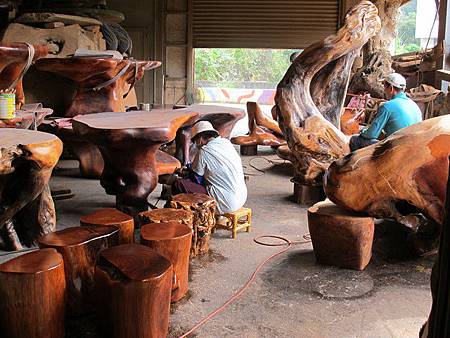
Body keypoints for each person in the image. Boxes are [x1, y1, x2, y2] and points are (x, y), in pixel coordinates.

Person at [171, 121, 247, 214]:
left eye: (195, 141)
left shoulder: (204, 150)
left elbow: (197, 179)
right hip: (241, 198)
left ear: (201, 137)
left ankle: (181, 214)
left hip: (225, 202)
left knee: (178, 184)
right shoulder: (226, 143)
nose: (196, 144)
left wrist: (184, 174)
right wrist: (190, 169)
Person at [349, 73, 422, 151]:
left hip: (397, 148)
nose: (384, 90)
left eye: (384, 87)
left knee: (355, 140)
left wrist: (363, 131)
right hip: (415, 145)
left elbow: (371, 135)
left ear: (391, 88)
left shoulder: (387, 106)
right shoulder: (414, 105)